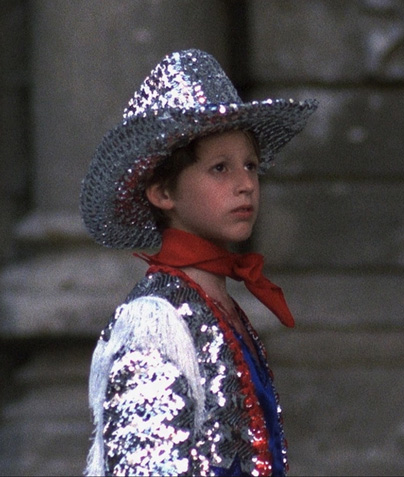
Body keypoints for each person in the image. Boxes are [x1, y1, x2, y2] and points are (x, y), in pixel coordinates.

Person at [80, 49, 317, 476]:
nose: (245, 184)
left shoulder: (224, 307)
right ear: (162, 193)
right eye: (220, 168)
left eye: (251, 166)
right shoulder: (154, 323)